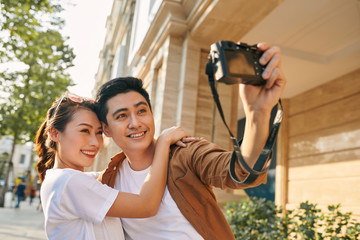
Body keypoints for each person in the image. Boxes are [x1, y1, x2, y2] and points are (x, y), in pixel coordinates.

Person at [95, 42, 286, 240]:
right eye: (121, 116)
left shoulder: (185, 152)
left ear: (152, 113)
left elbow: (241, 170)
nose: (135, 123)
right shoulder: (108, 180)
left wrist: (257, 113)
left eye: (141, 111)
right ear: (106, 129)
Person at [35, 92, 195, 240]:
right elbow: (146, 205)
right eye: (84, 130)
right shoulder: (67, 182)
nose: (95, 142)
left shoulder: (71, 180)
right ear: (55, 133)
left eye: (99, 133)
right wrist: (163, 143)